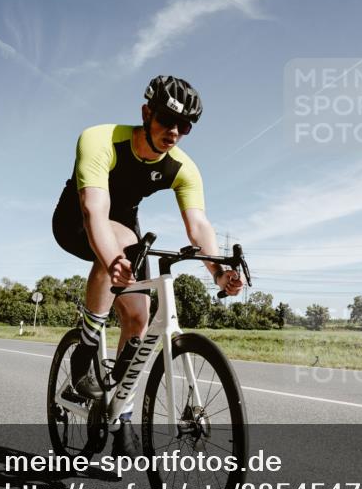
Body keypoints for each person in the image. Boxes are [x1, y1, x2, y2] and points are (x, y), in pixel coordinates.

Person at [53, 75, 243, 454]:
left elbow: (198, 226)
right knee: (123, 242)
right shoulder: (100, 139)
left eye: (185, 126)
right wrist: (112, 260)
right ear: (146, 113)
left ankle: (118, 411)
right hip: (77, 218)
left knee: (140, 317)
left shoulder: (182, 167)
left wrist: (219, 273)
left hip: (124, 227)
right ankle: (87, 345)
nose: (174, 132)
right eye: (166, 121)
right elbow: (94, 211)